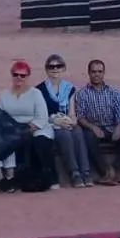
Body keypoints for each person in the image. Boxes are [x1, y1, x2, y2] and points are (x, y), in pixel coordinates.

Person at [0, 59, 57, 192]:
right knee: (14, 142)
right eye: (16, 74)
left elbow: (42, 116)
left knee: (39, 141)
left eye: (22, 75)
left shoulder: (36, 93)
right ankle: (21, 180)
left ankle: (49, 178)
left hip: (36, 126)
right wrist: (13, 130)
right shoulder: (3, 95)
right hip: (12, 129)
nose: (19, 78)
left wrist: (28, 129)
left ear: (27, 77)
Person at [74, 59, 120, 186]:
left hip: (112, 128)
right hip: (94, 129)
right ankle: (105, 172)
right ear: (89, 73)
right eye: (93, 71)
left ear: (104, 73)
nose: (96, 74)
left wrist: (119, 127)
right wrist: (92, 127)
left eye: (99, 71)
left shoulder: (113, 92)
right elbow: (80, 117)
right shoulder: (82, 94)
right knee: (87, 137)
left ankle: (114, 169)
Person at [36, 53, 92, 188]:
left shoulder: (70, 88)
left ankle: (86, 172)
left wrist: (71, 121)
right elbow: (40, 114)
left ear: (64, 68)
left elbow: (72, 112)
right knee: (64, 135)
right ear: (46, 69)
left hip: (66, 121)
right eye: (51, 66)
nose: (55, 69)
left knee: (78, 132)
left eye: (58, 66)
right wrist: (55, 121)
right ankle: (74, 173)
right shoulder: (39, 90)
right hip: (50, 123)